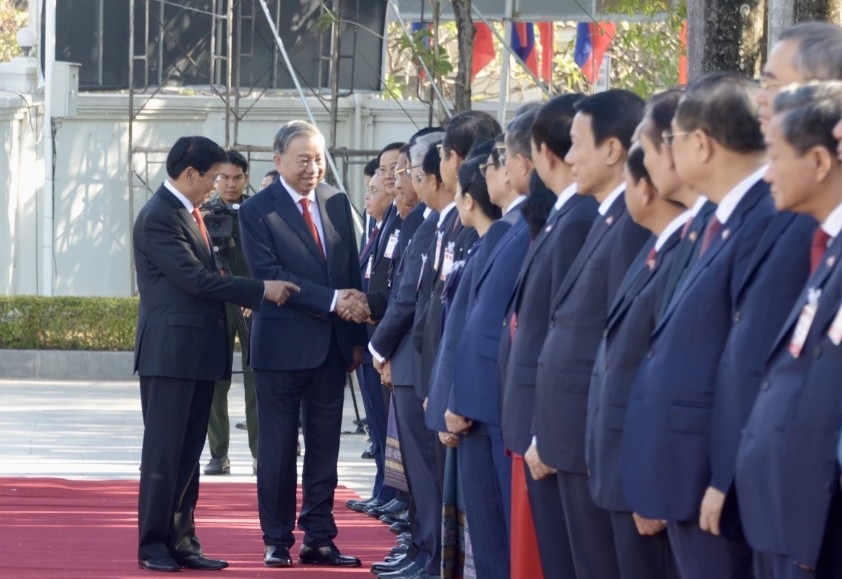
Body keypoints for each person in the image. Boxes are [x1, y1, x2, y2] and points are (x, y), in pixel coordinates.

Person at [620, 73, 778, 579]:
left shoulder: (767, 220)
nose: (657, 156)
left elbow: (750, 361)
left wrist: (723, 476)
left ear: (702, 145)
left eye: (669, 141)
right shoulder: (717, 221)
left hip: (713, 480)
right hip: (685, 474)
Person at [133, 135, 298, 573]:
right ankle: (152, 544)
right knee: (164, 456)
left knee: (187, 457)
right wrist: (260, 289)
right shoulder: (159, 218)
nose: (216, 185)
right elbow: (196, 281)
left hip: (198, 353)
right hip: (170, 356)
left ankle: (182, 540)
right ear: (190, 174)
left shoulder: (189, 213)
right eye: (212, 177)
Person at [238, 120, 369, 569]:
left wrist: (354, 339)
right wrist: (335, 302)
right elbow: (271, 275)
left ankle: (319, 536)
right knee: (277, 450)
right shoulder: (257, 211)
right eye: (303, 159)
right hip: (280, 348)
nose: (313, 167)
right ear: (277, 161)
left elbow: (349, 272)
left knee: (325, 448)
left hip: (331, 349)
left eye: (318, 158)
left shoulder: (335, 202)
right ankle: (276, 538)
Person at [531, 89, 649, 579]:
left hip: (592, 441)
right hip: (573, 438)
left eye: (578, 143)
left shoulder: (633, 225)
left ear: (613, 149)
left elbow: (619, 344)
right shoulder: (605, 217)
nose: (569, 156)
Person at [736, 81, 842, 579]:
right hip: (787, 518)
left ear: (820, 162)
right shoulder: (827, 248)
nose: (767, 173)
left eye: (776, 157)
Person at [502, 93, 596, 579]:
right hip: (535, 422)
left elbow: (574, 335)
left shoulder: (579, 219)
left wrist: (546, 428)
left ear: (540, 153)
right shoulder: (562, 216)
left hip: (554, 429)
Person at [585, 144, 684, 579]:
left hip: (648, 476)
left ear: (648, 189)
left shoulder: (679, 251)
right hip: (620, 464)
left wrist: (653, 481)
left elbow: (666, 374)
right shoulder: (658, 250)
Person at [202, 149, 259, 477]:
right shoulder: (205, 214)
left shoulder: (258, 212)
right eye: (223, 177)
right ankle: (218, 453)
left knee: (256, 380)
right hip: (217, 303)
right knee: (215, 381)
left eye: (237, 177)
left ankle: (259, 454)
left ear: (246, 178)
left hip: (252, 302)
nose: (231, 184)